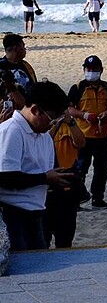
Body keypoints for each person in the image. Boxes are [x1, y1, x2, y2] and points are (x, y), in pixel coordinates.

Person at [0, 81, 76, 251]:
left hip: (37, 213)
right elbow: (5, 178)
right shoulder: (11, 131)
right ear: (35, 110)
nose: (54, 123)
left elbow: (47, 173)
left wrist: (59, 179)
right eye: (52, 118)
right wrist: (45, 178)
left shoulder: (45, 137)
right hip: (11, 215)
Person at [66, 55, 107, 208]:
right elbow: (69, 109)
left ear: (101, 70)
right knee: (81, 167)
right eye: (88, 69)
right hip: (84, 135)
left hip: (104, 134)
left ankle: (98, 197)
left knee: (103, 168)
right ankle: (77, 199)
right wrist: (84, 115)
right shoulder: (77, 88)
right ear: (84, 70)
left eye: (95, 69)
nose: (91, 72)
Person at [43, 110, 85, 247]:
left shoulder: (69, 125)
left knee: (65, 238)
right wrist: (54, 125)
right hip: (46, 189)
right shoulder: (41, 126)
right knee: (43, 239)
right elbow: (44, 144)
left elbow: (81, 143)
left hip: (67, 186)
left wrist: (71, 122)